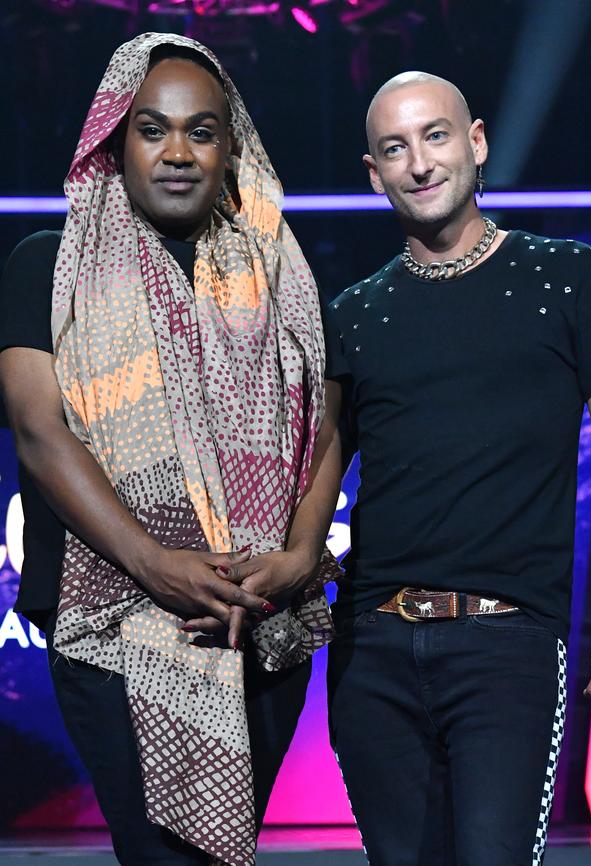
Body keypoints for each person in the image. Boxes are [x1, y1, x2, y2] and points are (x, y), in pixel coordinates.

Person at [0, 32, 341, 866]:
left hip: (258, 617)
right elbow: (42, 433)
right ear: (116, 140)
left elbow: (326, 425)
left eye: (202, 130)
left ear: (232, 147)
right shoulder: (50, 265)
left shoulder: (278, 273)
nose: (178, 152)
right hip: (115, 618)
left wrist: (299, 554)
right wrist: (156, 563)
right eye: (153, 128)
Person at [326, 71, 591, 866]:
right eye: (394, 149)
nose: (419, 163)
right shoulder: (356, 312)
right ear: (375, 174)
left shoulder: (565, 276)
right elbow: (317, 477)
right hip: (372, 650)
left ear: (474, 143)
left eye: (435, 136)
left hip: (508, 645)